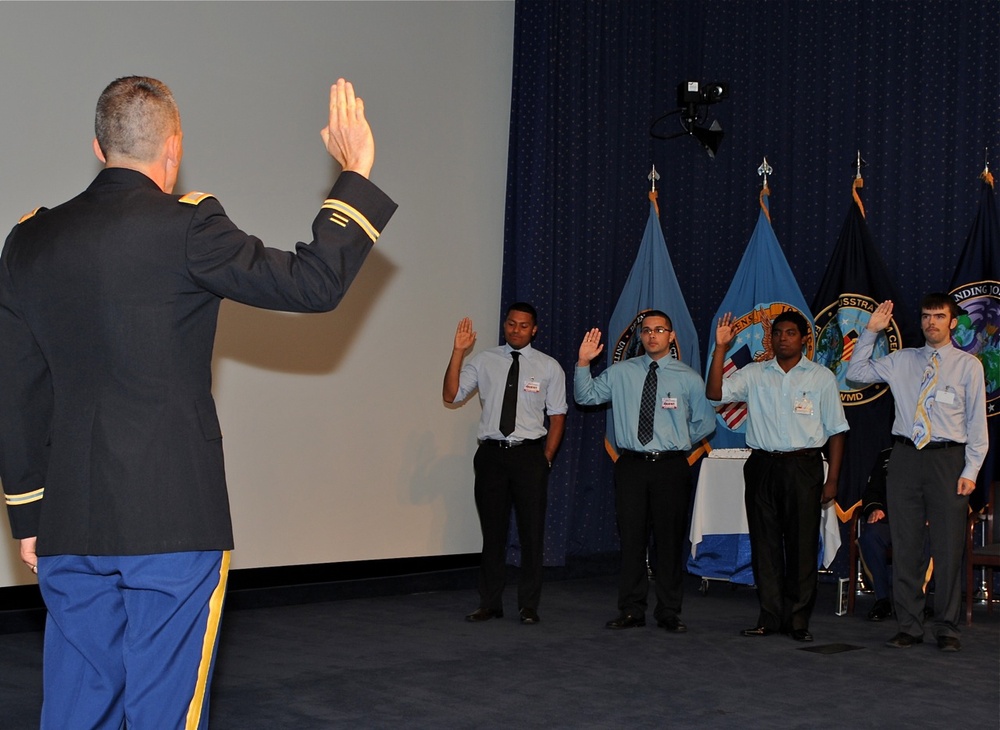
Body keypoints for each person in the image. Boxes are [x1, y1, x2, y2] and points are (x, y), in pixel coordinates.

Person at [0, 76, 396, 728]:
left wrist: (28, 514)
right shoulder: (189, 226)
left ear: (97, 147)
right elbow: (314, 283)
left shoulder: (29, 241)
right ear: (174, 148)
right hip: (174, 518)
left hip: (69, 520)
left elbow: (15, 392)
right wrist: (354, 174)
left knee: (76, 711)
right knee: (165, 713)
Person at [845, 295, 987, 652]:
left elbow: (977, 426)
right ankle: (909, 624)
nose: (931, 323)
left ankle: (947, 628)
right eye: (926, 316)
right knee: (907, 546)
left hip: (948, 460)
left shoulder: (968, 365)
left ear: (953, 322)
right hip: (906, 457)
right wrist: (870, 333)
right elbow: (855, 374)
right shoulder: (901, 360)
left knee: (948, 546)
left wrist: (971, 470)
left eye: (939, 316)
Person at [708, 310, 848, 642]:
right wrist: (720, 349)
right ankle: (769, 617)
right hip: (762, 466)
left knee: (801, 546)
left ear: (803, 339)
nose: (783, 338)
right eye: (778, 333)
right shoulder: (754, 374)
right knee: (765, 545)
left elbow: (838, 431)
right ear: (770, 339)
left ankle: (798, 620)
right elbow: (715, 394)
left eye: (790, 333)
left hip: (804, 467)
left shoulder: (820, 377)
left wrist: (832, 480)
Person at [575, 311, 715, 633]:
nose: (652, 335)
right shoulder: (621, 372)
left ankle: (668, 611)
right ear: (641, 336)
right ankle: (631, 610)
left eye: (660, 330)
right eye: (647, 330)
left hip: (670, 467)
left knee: (668, 542)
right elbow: (586, 396)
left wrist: (677, 442)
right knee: (632, 541)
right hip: (631, 467)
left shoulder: (688, 377)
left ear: (671, 336)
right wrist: (583, 363)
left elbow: (706, 422)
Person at [443, 304, 567, 624]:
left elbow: (557, 416)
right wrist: (458, 353)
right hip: (491, 456)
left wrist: (547, 458)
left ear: (534, 329)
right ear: (505, 325)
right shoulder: (484, 360)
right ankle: (490, 603)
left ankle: (528, 605)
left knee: (531, 534)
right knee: (493, 534)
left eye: (524, 326)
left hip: (529, 456)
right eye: (511, 324)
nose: (516, 330)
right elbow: (452, 395)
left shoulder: (549, 366)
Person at [856, 447, 933, 622]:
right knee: (870, 537)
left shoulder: (932, 454)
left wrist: (930, 513)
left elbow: (937, 491)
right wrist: (874, 508)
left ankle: (916, 600)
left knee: (928, 538)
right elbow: (871, 490)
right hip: (888, 520)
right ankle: (882, 599)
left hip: (918, 521)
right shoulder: (886, 455)